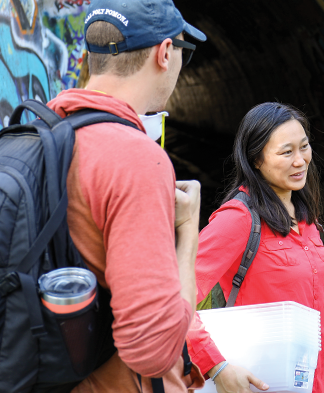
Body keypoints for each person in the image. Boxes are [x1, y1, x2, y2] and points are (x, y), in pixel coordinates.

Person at [45, 0, 207, 391]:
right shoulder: (134, 158)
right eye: (183, 51)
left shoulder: (45, 131)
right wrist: (188, 231)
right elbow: (155, 351)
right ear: (165, 53)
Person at [186, 103, 324, 393]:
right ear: (255, 159)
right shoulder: (238, 220)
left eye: (304, 147)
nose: (301, 161)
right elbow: (175, 298)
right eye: (286, 152)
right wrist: (217, 367)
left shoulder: (310, 225)